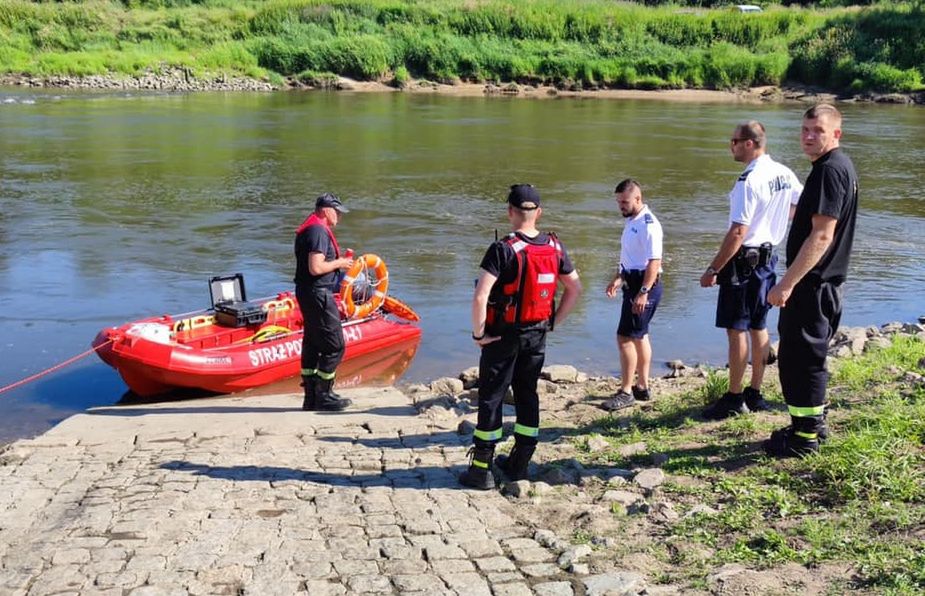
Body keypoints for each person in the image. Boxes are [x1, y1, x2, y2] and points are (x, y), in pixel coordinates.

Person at [459, 184, 582, 490]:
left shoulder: (504, 248)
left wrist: (478, 334)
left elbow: (480, 296)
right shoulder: (555, 247)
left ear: (510, 212)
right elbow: (575, 288)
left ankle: (481, 470)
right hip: (537, 334)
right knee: (528, 395)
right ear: (538, 213)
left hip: (502, 337)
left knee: (492, 397)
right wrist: (554, 322)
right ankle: (520, 463)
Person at [765, 104, 858, 457]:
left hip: (814, 286)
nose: (808, 136)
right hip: (824, 285)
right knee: (802, 357)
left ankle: (805, 439)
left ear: (836, 133)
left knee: (802, 360)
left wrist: (786, 283)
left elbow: (821, 236)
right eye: (804, 129)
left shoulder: (828, 171)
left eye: (817, 130)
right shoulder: (838, 167)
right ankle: (807, 426)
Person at [700, 120, 803, 420]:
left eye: (733, 141)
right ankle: (755, 393)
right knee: (759, 325)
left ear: (749, 143)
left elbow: (737, 232)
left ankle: (734, 398)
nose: (730, 146)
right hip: (769, 259)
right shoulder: (783, 172)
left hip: (744, 261)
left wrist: (713, 268)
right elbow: (801, 205)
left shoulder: (750, 180)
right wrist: (777, 219)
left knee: (736, 329)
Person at [601, 179, 664, 411]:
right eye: (618, 202)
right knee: (640, 335)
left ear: (638, 198)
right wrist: (619, 278)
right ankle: (643, 386)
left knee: (624, 337)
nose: (621, 206)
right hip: (633, 281)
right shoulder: (632, 221)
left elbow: (654, 262)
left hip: (645, 285)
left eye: (625, 202)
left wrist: (643, 292)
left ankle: (626, 391)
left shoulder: (649, 225)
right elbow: (631, 257)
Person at [294, 193, 355, 412]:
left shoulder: (310, 228)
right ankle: (324, 395)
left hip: (307, 292)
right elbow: (316, 268)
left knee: (312, 343)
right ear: (325, 210)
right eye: (336, 211)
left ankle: (310, 397)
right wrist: (340, 262)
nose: (339, 215)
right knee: (334, 345)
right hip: (318, 293)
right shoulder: (318, 231)